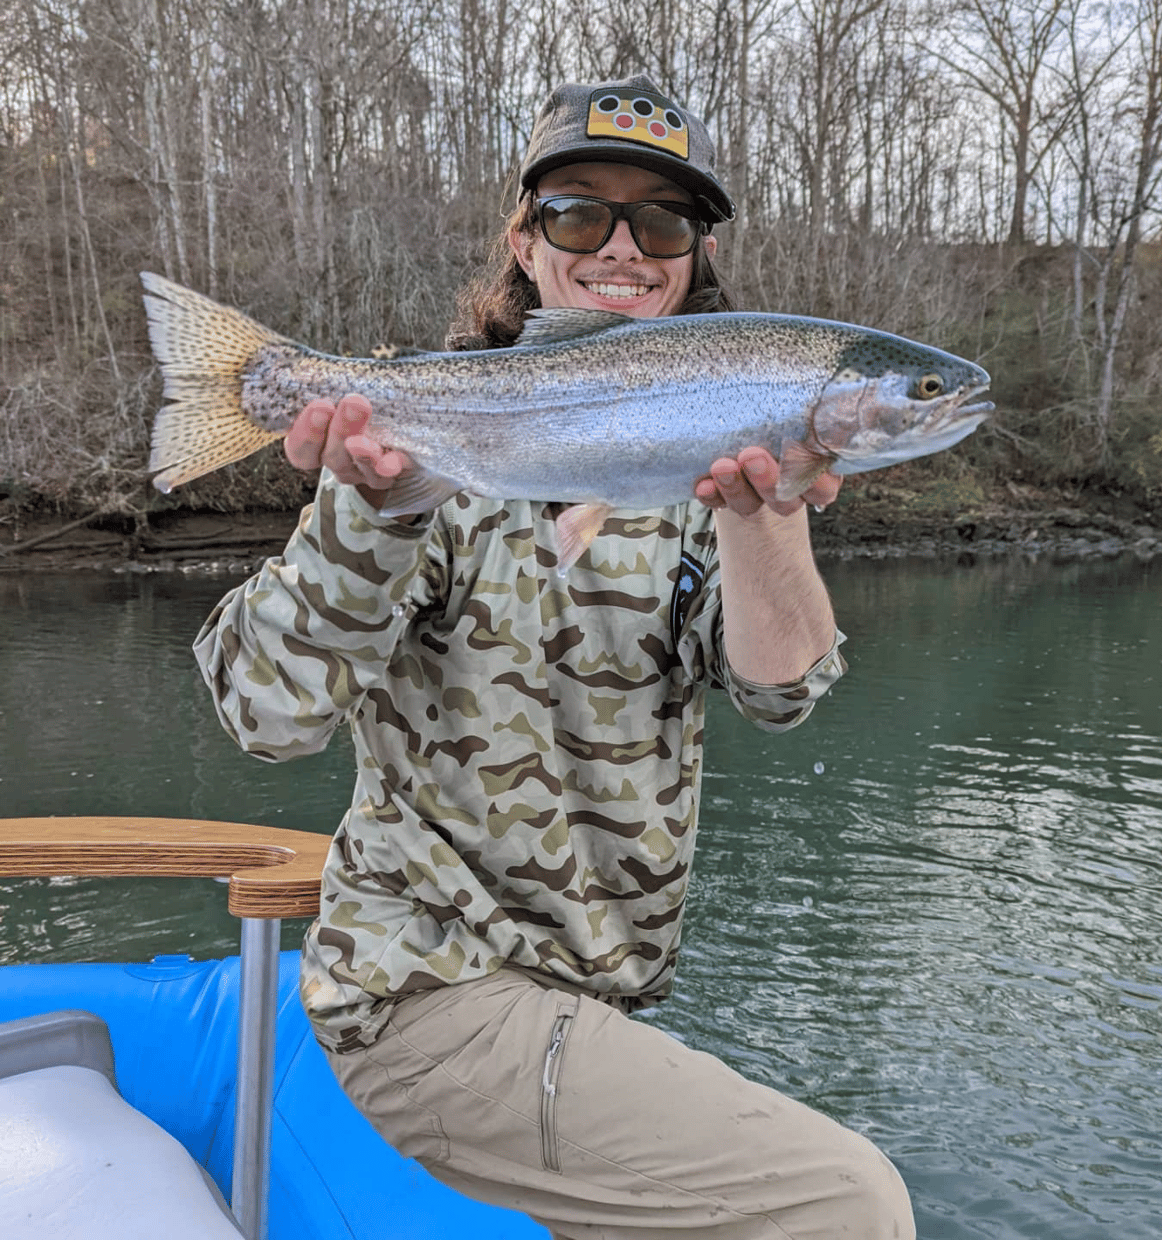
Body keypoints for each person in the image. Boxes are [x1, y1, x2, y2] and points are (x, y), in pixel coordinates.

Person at [195, 75, 914, 1239]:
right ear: (524, 244)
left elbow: (782, 692)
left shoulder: (709, 471)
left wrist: (764, 512)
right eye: (582, 215)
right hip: (428, 993)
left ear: (694, 255)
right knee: (847, 1204)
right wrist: (372, 508)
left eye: (663, 223)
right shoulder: (427, 456)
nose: (624, 248)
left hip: (591, 1001)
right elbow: (264, 717)